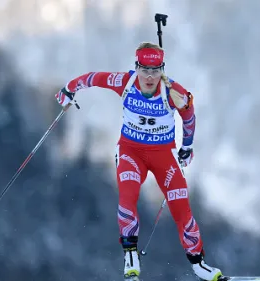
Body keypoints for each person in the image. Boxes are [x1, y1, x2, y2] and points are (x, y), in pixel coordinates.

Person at [55, 42, 224, 281]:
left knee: (182, 208)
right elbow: (92, 78)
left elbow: (189, 117)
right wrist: (69, 90)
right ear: (136, 67)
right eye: (144, 69)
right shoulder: (124, 82)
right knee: (128, 196)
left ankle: (198, 264)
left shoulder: (174, 92)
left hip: (163, 156)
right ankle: (130, 256)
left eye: (155, 70)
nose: (149, 76)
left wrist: (187, 147)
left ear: (162, 70)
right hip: (130, 153)